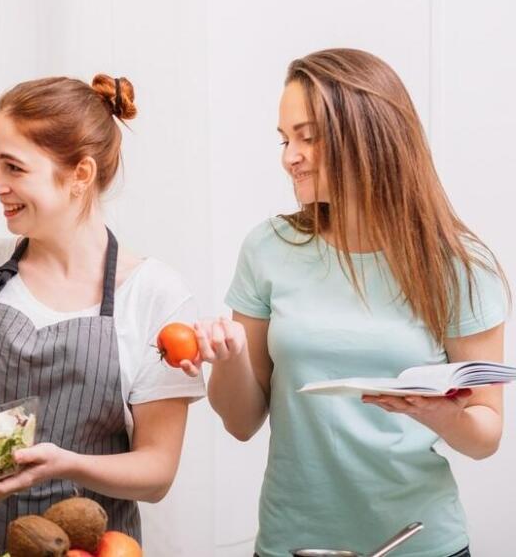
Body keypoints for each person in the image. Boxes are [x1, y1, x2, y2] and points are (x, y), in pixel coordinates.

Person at [186, 48, 509, 557]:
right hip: (293, 542)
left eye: (307, 137)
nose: (289, 155)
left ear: (370, 135)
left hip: (420, 542)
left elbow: (485, 434)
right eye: (284, 138)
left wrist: (437, 414)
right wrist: (230, 361)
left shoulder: (458, 265)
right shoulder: (268, 248)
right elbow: (242, 422)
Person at [0, 75, 205, 557]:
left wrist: (62, 464)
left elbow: (156, 472)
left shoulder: (155, 293)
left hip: (89, 548)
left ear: (81, 174)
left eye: (13, 167)